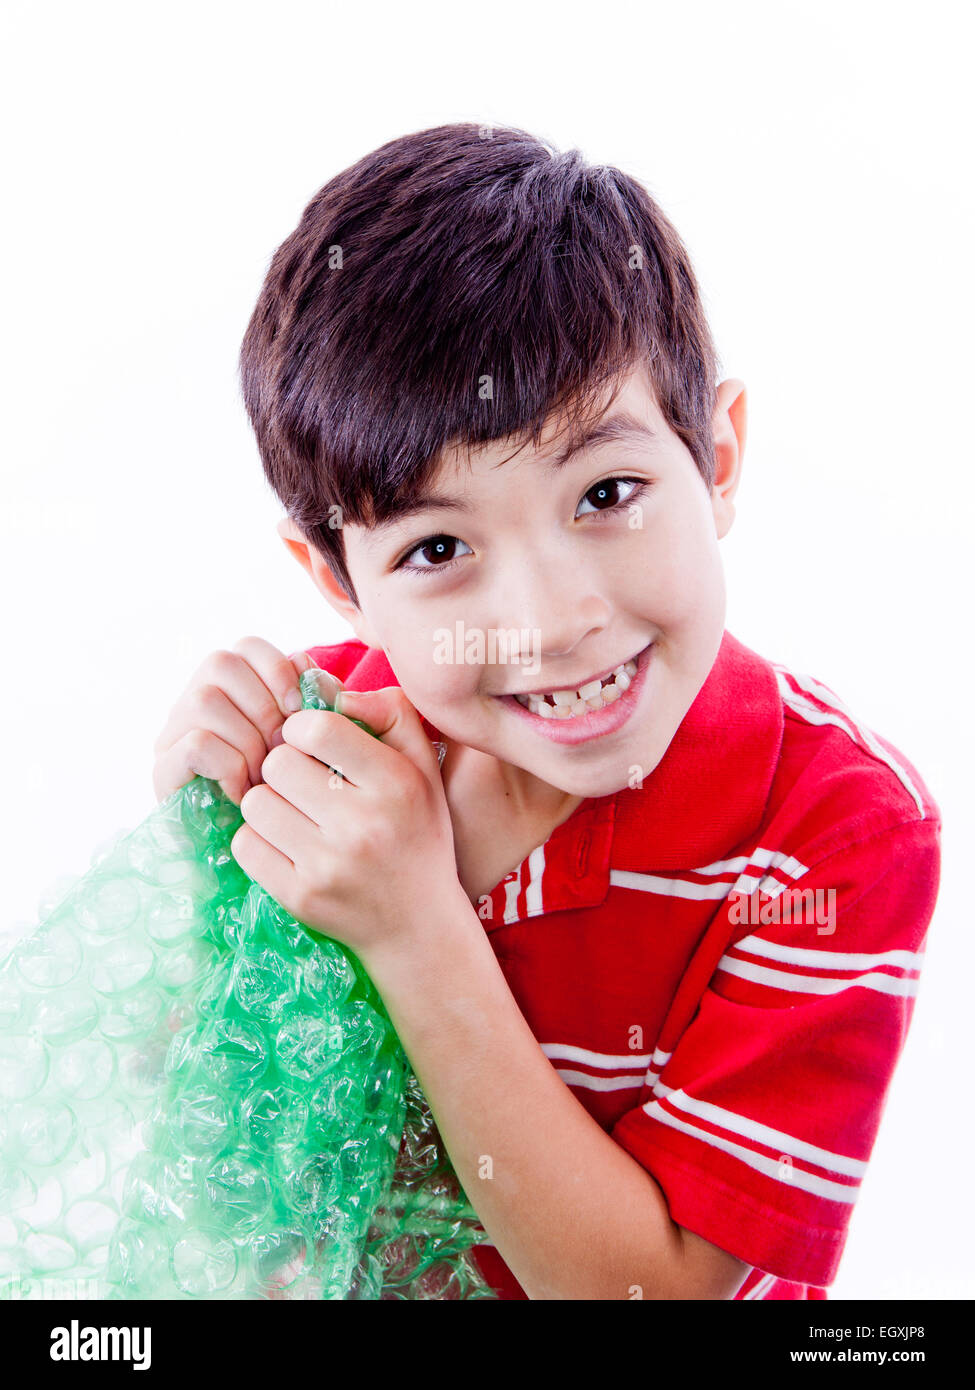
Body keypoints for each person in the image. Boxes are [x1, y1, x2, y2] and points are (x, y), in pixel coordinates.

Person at [152, 123, 942, 1300]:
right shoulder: (323, 751)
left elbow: (657, 1293)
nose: (547, 619)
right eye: (438, 547)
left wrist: (415, 928)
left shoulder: (833, 827)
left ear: (716, 457)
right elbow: (227, 1192)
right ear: (338, 582)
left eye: (607, 492)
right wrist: (210, 874)